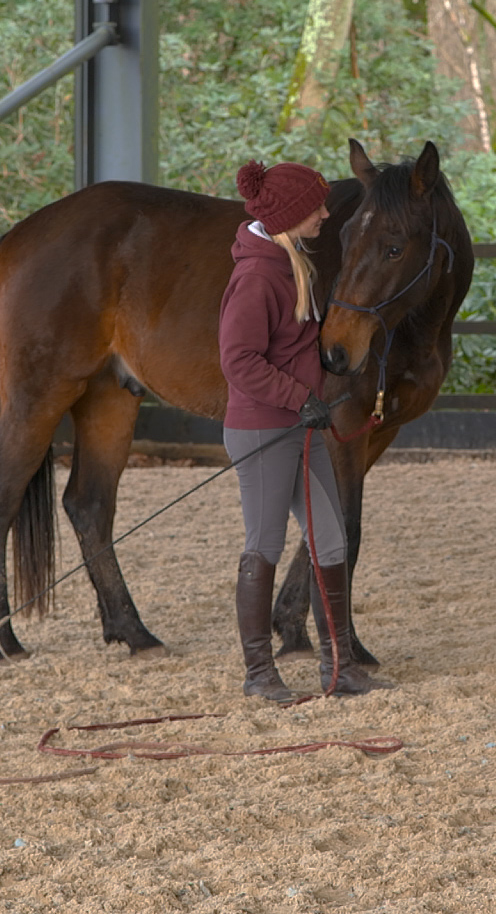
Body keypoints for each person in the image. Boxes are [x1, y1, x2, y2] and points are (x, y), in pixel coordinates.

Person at [219, 160, 389, 700]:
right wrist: (299, 398)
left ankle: (338, 667)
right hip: (264, 428)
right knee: (264, 544)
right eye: (315, 207)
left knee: (331, 538)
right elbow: (238, 360)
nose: (323, 213)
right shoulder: (256, 276)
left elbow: (297, 347)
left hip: (302, 423)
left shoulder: (292, 261)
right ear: (291, 216)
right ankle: (259, 674)